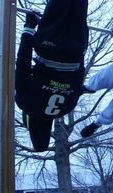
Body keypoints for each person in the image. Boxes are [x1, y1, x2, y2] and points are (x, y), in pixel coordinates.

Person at [15, 0, 89, 151]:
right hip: (49, 47)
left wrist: (82, 44)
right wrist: (29, 28)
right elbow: (22, 64)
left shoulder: (65, 109)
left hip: (75, 52)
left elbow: (79, 75)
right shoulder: (25, 103)